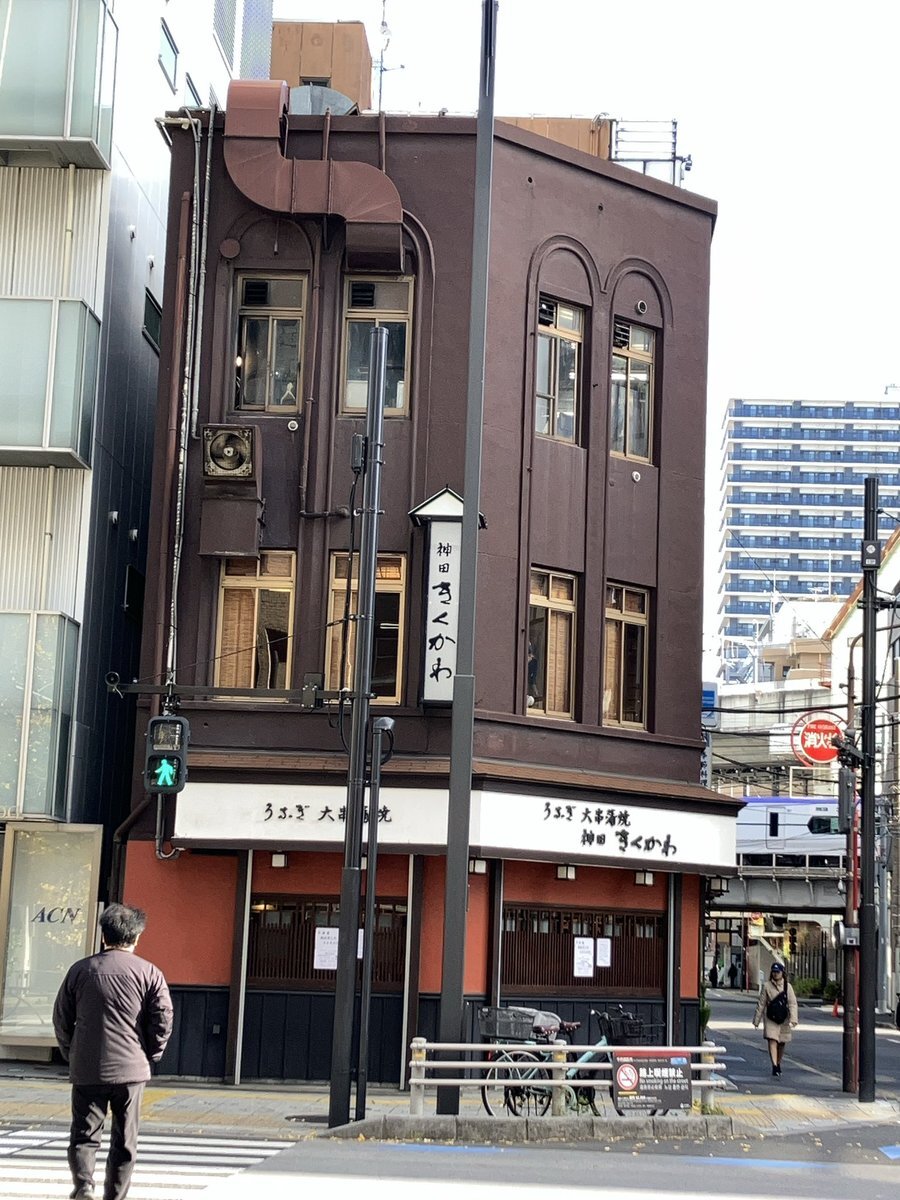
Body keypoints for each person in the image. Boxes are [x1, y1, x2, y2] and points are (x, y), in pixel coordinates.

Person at [53, 904, 173, 1200]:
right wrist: (150, 1053)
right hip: (131, 1069)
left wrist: (72, 1052)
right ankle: (115, 1196)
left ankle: (84, 1185)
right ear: (137, 936)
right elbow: (163, 1018)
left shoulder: (81, 970)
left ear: (103, 935)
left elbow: (62, 1017)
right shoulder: (149, 972)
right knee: (125, 1139)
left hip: (87, 1067)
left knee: (84, 1134)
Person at [752, 961, 798, 1077]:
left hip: (784, 1018)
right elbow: (761, 1004)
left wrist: (793, 1019)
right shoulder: (767, 986)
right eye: (774, 972)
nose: (775, 974)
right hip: (770, 1017)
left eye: (778, 972)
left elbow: (792, 1003)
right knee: (772, 1040)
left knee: (781, 1043)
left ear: (782, 973)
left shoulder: (788, 987)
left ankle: (778, 1063)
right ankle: (774, 1066)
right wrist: (756, 1020)